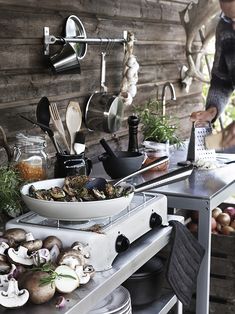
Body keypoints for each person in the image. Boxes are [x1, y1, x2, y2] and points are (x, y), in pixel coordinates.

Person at [190, 0, 235, 149]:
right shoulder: (224, 28)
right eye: (230, 18)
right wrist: (212, 110)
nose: (233, 27)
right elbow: (222, 80)